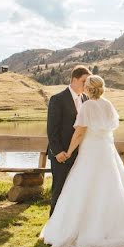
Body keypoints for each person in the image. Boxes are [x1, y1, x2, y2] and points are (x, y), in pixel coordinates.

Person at [40, 75, 124, 247]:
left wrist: (70, 151)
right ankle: (113, 227)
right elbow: (110, 129)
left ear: (88, 89)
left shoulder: (88, 105)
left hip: (90, 152)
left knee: (86, 186)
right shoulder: (108, 104)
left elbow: (80, 132)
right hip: (106, 152)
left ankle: (85, 229)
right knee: (109, 187)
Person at [46, 65, 90, 215]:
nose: (86, 85)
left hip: (79, 155)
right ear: (74, 79)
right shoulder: (57, 99)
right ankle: (52, 226)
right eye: (84, 81)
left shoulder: (86, 100)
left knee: (75, 192)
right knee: (59, 190)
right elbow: (52, 129)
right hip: (61, 155)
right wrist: (57, 151)